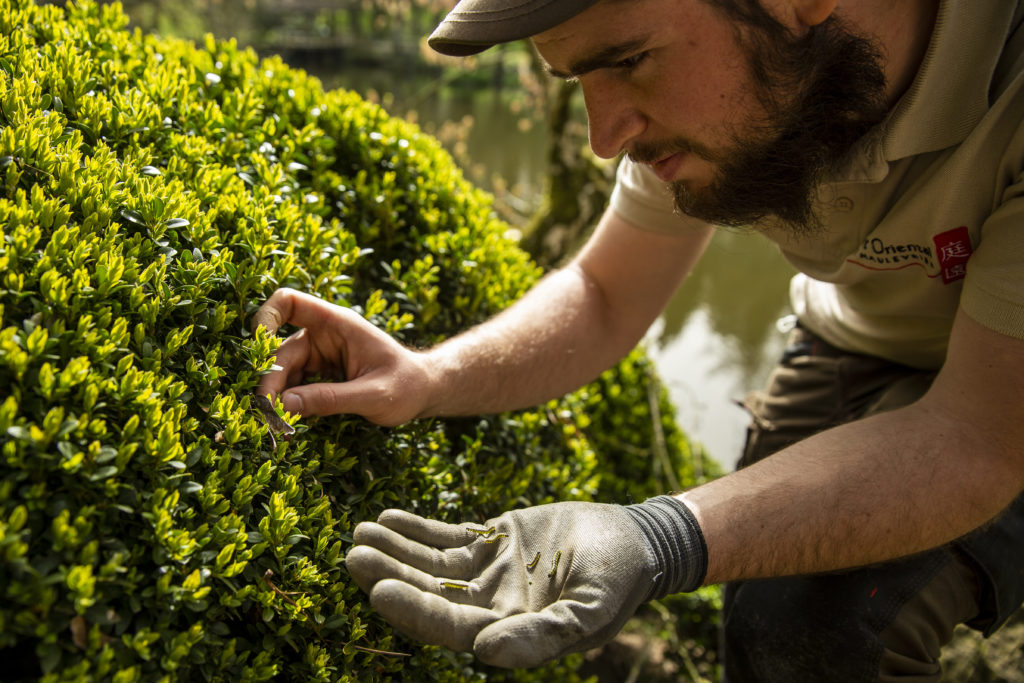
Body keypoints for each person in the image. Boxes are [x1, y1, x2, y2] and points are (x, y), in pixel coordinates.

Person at [252, 0, 1024, 679]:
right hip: (853, 333)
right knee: (763, 627)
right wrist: (428, 377)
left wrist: (657, 536)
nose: (604, 136)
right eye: (578, 79)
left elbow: (976, 436)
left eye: (627, 61)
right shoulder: (725, 72)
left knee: (829, 629)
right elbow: (605, 293)